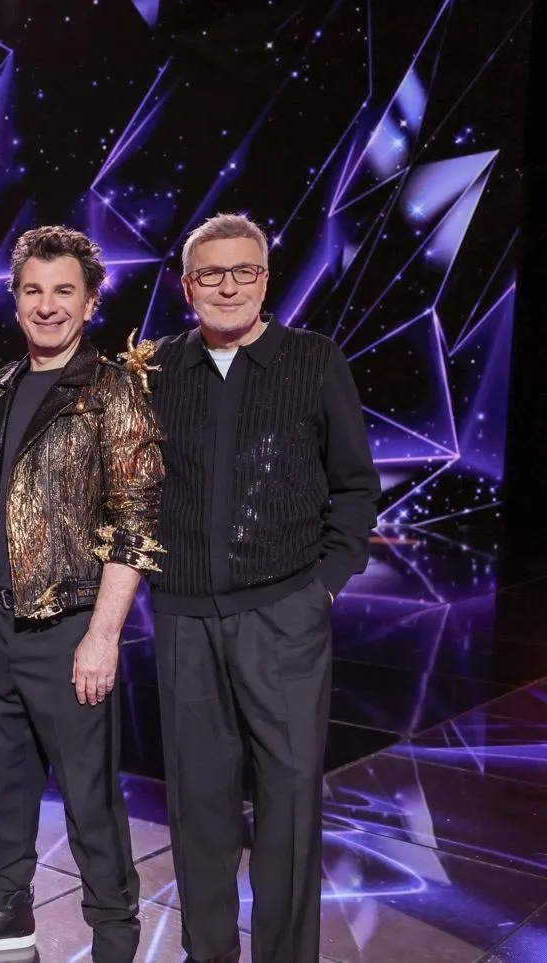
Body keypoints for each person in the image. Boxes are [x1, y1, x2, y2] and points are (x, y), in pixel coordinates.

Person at [147, 212, 380, 963]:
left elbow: (355, 487)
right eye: (210, 273)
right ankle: (208, 953)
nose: (228, 286)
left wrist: (323, 588)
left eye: (243, 270)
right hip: (185, 619)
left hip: (283, 616)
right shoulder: (156, 369)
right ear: (187, 287)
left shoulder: (313, 359)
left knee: (289, 806)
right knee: (199, 807)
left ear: (265, 278)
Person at [0, 226, 165, 963]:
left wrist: (102, 635)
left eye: (64, 291)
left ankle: (115, 937)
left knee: (90, 797)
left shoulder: (112, 390)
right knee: (4, 783)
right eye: (33, 290)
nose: (47, 304)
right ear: (16, 298)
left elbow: (136, 523)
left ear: (90, 302)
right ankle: (7, 912)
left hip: (71, 628)